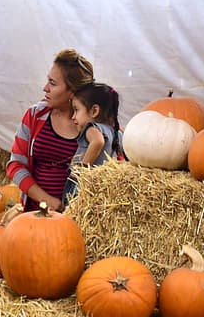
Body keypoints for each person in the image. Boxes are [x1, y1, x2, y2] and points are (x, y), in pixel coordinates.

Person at [7, 48, 94, 212]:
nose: (45, 88)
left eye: (53, 83)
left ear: (72, 92)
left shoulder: (93, 128)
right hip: (33, 215)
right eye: (48, 81)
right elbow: (15, 165)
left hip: (73, 222)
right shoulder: (35, 116)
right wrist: (45, 199)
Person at [62, 82, 125, 206]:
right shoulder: (116, 133)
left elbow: (98, 141)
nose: (73, 117)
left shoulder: (91, 128)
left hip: (84, 186)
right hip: (102, 189)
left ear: (94, 111)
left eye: (76, 110)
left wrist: (82, 169)